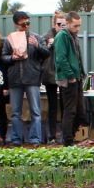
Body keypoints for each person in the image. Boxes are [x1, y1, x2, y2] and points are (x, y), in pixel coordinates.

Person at [1, 10, 48, 146]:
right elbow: (3, 57)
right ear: (16, 24)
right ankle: (16, 139)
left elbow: (46, 54)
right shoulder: (9, 39)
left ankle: (35, 139)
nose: (26, 26)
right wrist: (12, 57)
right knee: (15, 112)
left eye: (28, 23)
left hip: (32, 78)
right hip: (15, 79)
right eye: (23, 24)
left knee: (35, 111)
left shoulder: (36, 38)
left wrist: (37, 46)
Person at [53, 11, 89, 146]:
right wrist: (71, 77)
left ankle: (71, 138)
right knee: (70, 111)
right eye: (75, 26)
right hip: (68, 79)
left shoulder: (73, 36)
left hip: (77, 77)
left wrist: (81, 74)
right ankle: (67, 142)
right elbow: (60, 59)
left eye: (79, 25)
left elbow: (77, 58)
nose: (78, 28)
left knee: (81, 112)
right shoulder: (62, 36)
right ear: (67, 23)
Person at [40, 9, 65, 143]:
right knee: (52, 105)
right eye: (59, 24)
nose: (61, 26)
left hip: (63, 74)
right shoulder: (45, 37)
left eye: (63, 24)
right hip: (50, 74)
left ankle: (65, 135)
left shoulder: (67, 36)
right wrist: (50, 45)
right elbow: (41, 53)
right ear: (54, 24)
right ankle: (51, 136)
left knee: (64, 104)